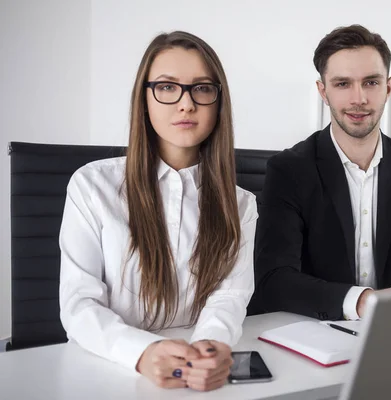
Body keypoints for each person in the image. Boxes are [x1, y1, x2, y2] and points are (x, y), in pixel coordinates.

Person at [59, 31, 257, 392]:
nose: (186, 104)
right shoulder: (91, 186)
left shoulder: (241, 204)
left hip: (195, 376)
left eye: (202, 88)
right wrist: (141, 352)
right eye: (167, 87)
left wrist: (209, 347)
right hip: (105, 371)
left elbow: (229, 297)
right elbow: (79, 303)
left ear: (218, 102)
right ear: (144, 99)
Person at [253, 24, 391, 322]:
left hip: (389, 329)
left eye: (371, 82)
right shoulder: (289, 170)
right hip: (310, 325)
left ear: (388, 87)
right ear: (323, 91)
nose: (358, 99)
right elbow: (274, 280)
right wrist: (365, 301)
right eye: (343, 84)